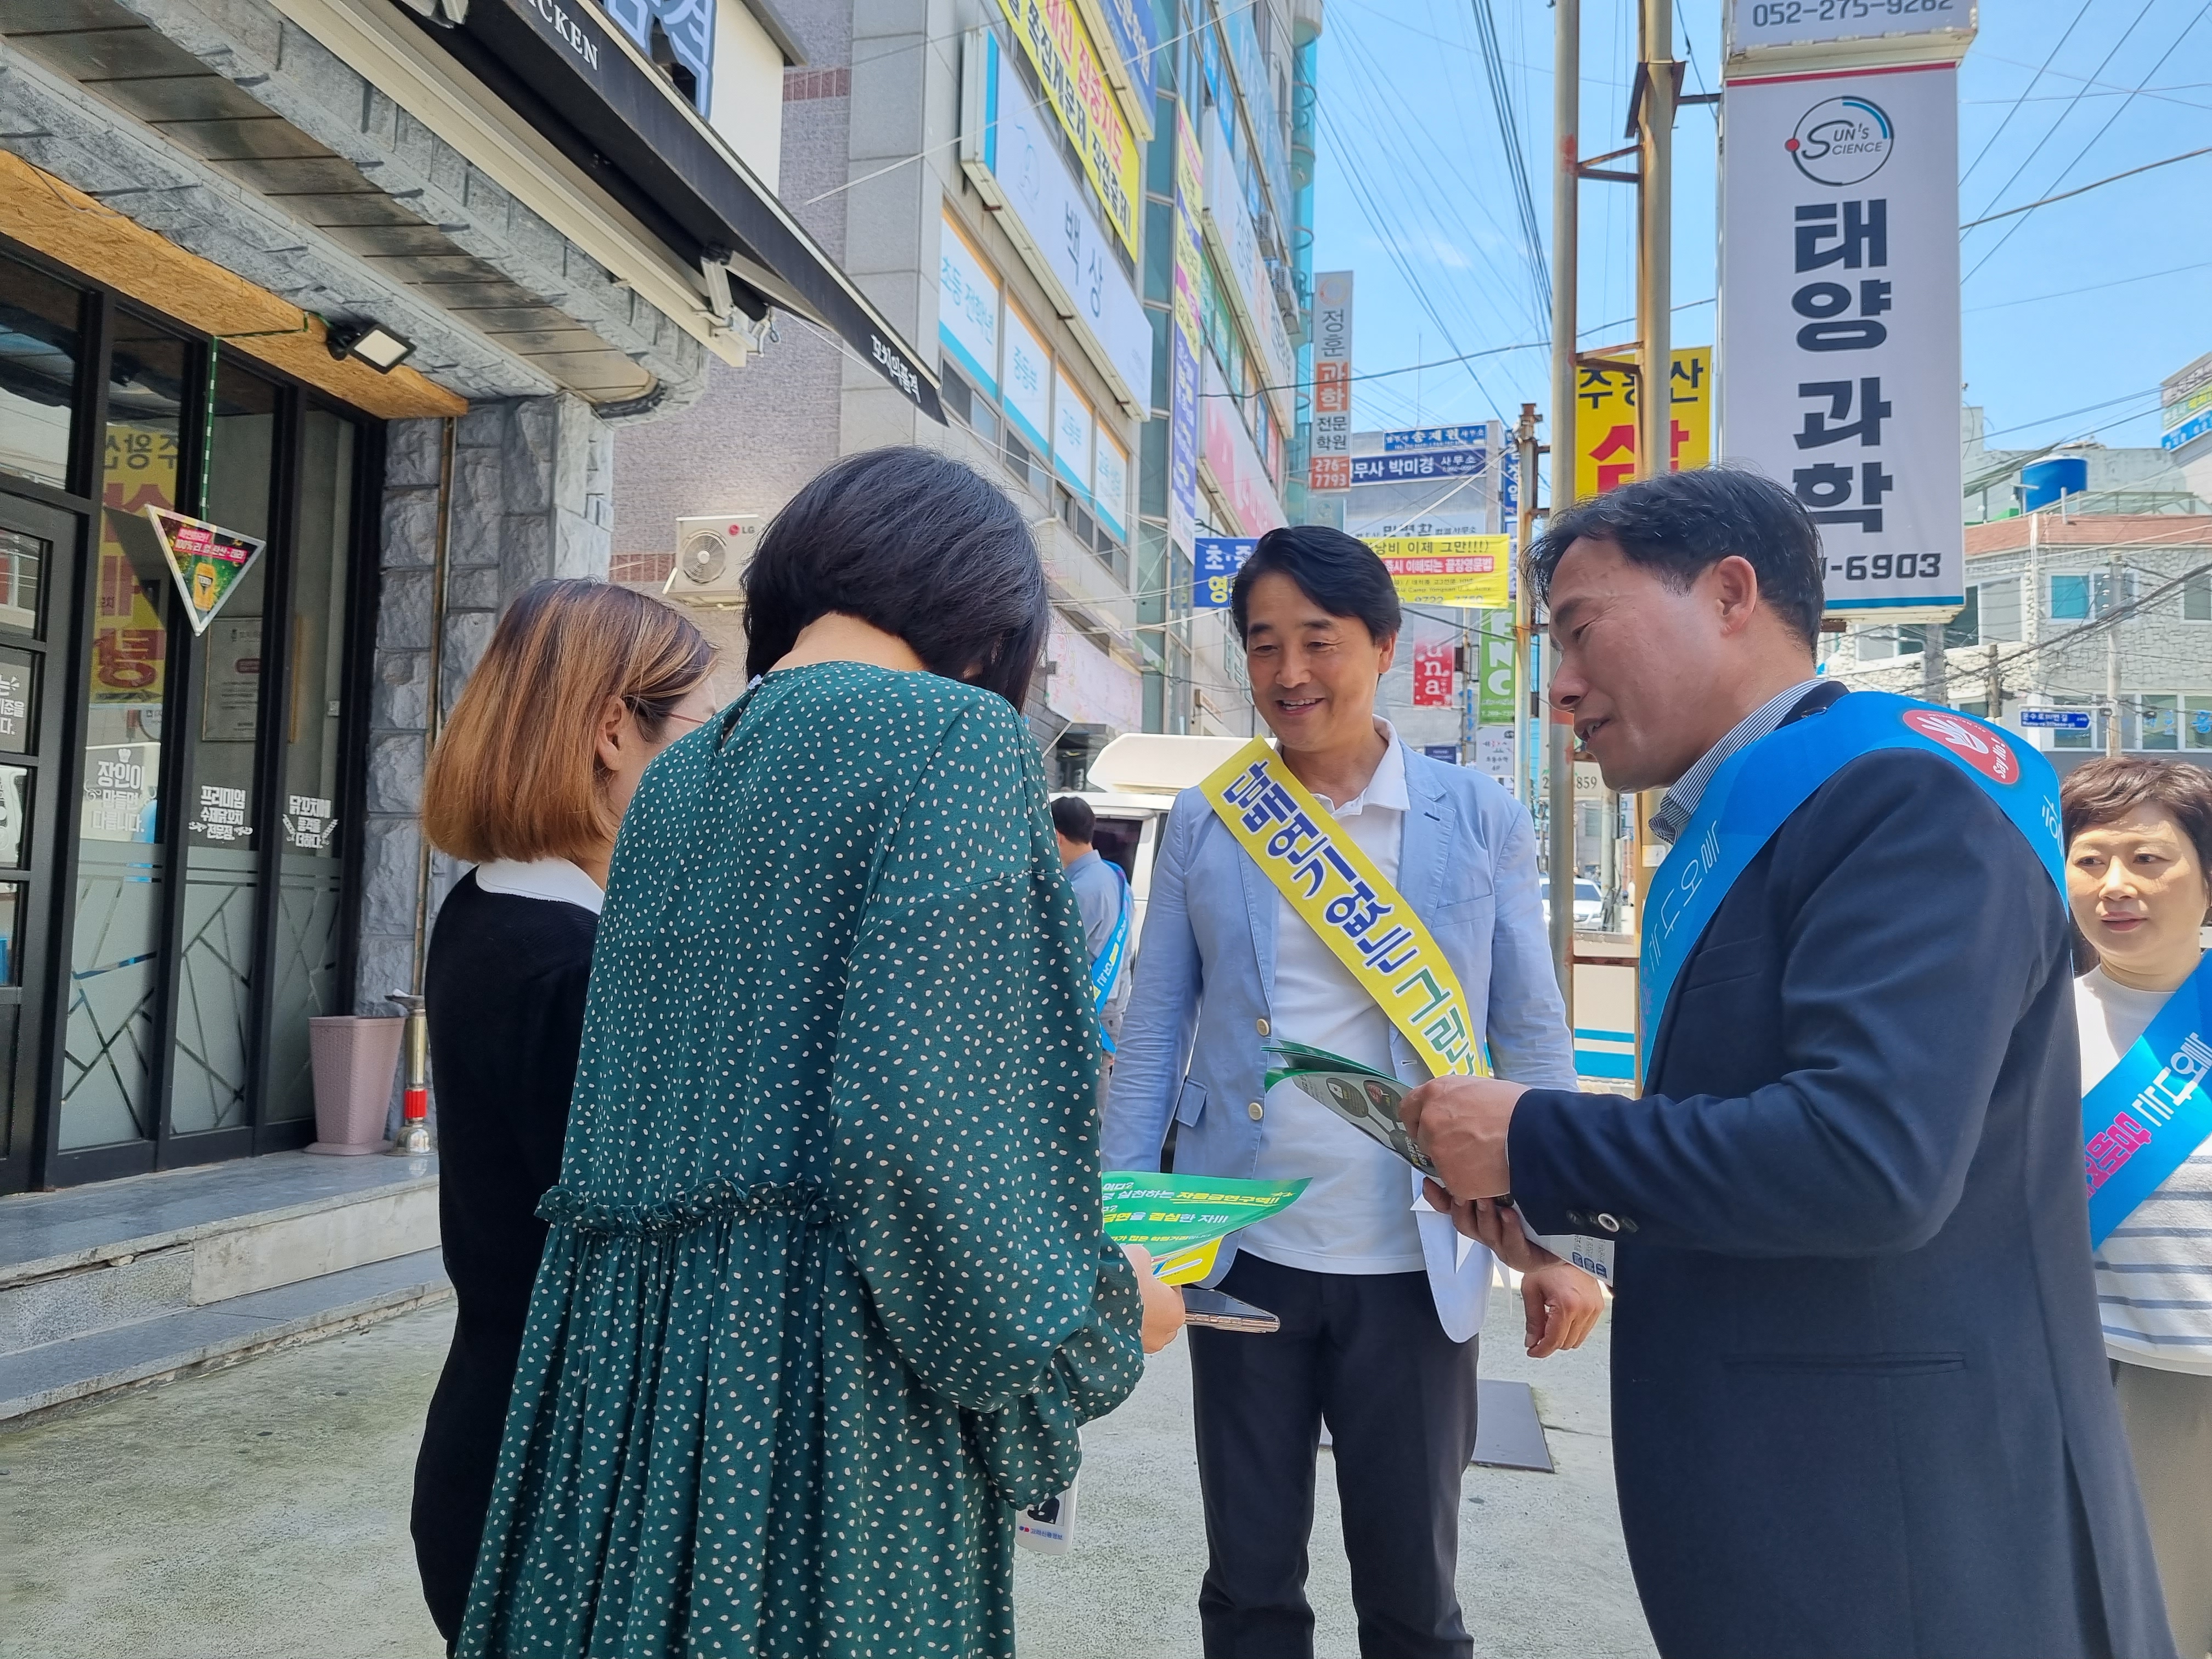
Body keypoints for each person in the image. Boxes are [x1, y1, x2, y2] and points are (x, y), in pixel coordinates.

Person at [1399, 467, 2173, 1659]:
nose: (1559, 688)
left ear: (1729, 593)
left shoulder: (1903, 798)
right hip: (1818, 1511)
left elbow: (1870, 1160)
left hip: (1901, 1536)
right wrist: (1561, 1211)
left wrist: (1536, 1137)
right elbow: (1769, 1146)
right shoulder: (1773, 815)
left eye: (1580, 630)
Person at [453, 448, 1183, 1659]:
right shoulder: (950, 737)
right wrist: (1100, 1317)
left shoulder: (680, 775)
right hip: (833, 1401)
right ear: (986, 631)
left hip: (633, 1391)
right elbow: (934, 1135)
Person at [1103, 524, 1602, 1659]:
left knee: (1413, 1591)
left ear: (1382, 646)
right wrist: (1128, 1229)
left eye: (1318, 642)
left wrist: (1562, 1238)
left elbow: (1528, 1028)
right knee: (1248, 1580)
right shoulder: (1210, 818)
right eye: (1263, 645)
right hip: (1243, 1254)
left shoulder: (1475, 817)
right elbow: (1154, 1034)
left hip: (1417, 1261)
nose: (1288, 674)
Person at [410, 579, 717, 1645]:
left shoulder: (490, 912)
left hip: (498, 1446)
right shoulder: (575, 973)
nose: (713, 764)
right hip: (561, 1482)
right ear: (611, 730)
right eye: (699, 729)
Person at [2063, 756, 2212, 1659]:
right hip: (2120, 1383)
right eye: (2090, 859)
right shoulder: (2029, 1030)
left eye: (2148, 859)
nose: (2115, 884)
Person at [1052, 794, 1134, 1051]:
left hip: (1087, 1013)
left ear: (1056, 837)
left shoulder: (1079, 891)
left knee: (1087, 1091)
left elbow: (1052, 955)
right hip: (1109, 1007)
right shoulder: (1116, 876)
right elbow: (1125, 955)